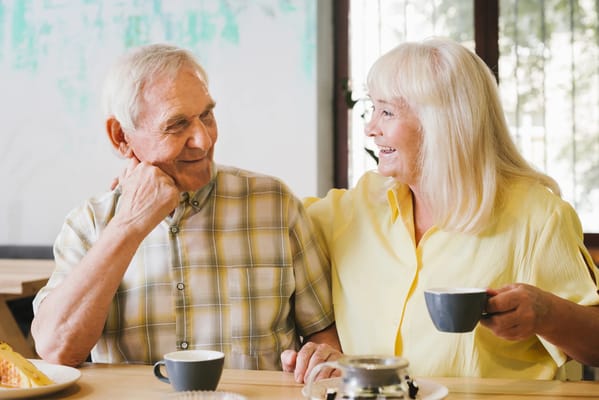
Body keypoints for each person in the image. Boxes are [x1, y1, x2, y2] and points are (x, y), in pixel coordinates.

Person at [31, 43, 341, 381]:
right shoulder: (88, 225)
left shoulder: (275, 204)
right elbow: (56, 350)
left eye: (206, 115)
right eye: (177, 125)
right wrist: (129, 224)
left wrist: (322, 357)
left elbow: (323, 335)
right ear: (121, 136)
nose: (203, 140)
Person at [302, 37, 599, 379]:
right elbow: (274, 220)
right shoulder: (357, 207)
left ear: (440, 123)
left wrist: (548, 314)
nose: (371, 128)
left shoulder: (539, 217)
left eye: (386, 112)